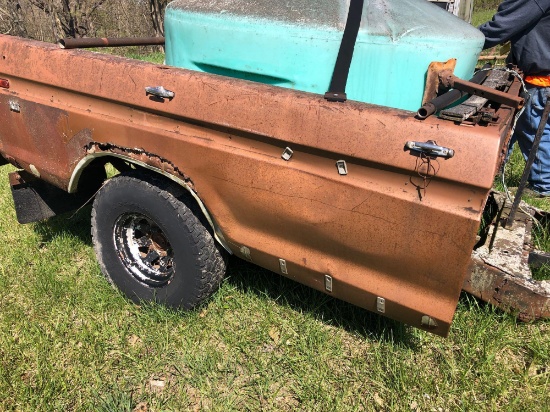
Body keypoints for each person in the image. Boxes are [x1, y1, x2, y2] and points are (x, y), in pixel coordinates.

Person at [479, 0, 550, 197]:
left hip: (538, 79)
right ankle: (494, 172)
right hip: (541, 76)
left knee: (534, 130)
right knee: (520, 126)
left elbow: (506, 23)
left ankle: (542, 188)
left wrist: (468, 40)